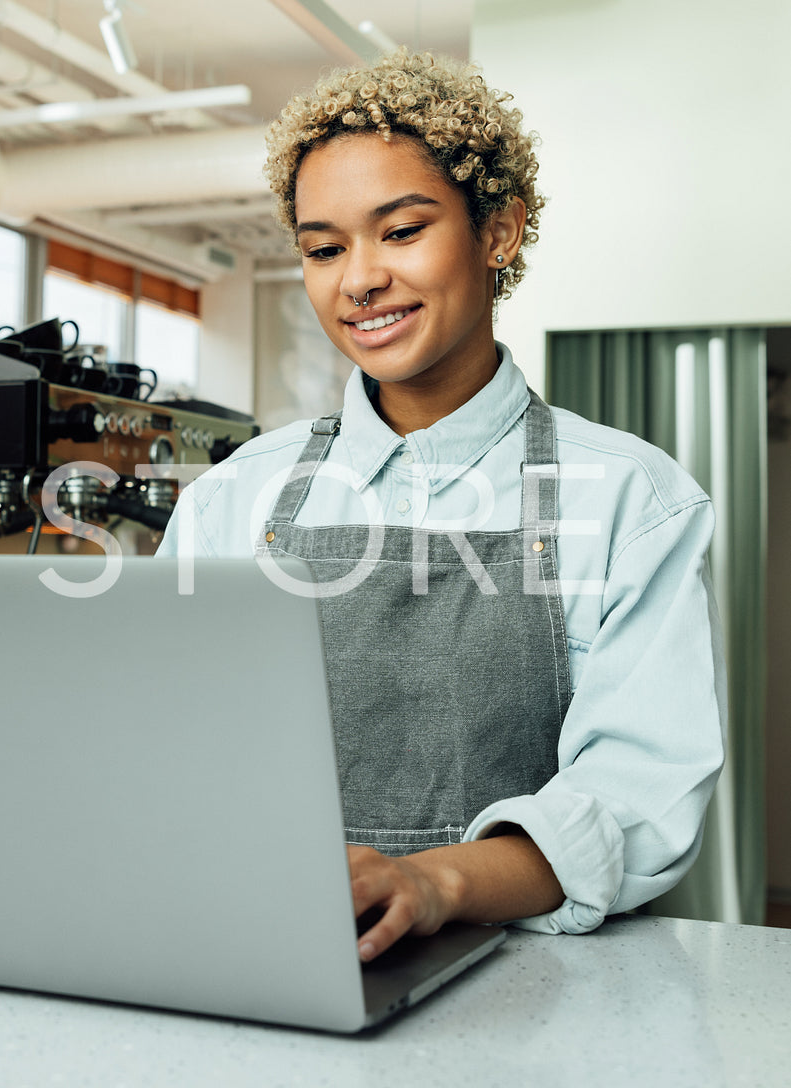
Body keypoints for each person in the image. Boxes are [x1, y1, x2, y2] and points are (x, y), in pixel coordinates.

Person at [154, 50, 724, 962]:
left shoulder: (630, 498)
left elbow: (637, 795)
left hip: (540, 986)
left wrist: (434, 882)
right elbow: (166, 750)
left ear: (498, 232)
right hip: (271, 951)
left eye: (402, 231)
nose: (359, 279)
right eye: (323, 248)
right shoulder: (236, 496)